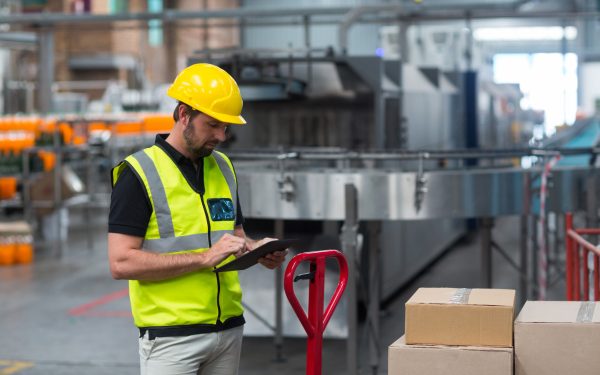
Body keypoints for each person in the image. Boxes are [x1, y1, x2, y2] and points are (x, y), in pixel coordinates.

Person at [107, 63, 287, 375]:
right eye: (212, 125)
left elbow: (234, 236)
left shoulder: (223, 167)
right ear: (183, 115)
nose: (221, 136)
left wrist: (258, 250)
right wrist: (204, 258)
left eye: (226, 128)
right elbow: (121, 263)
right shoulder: (138, 173)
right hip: (172, 339)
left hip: (228, 330)